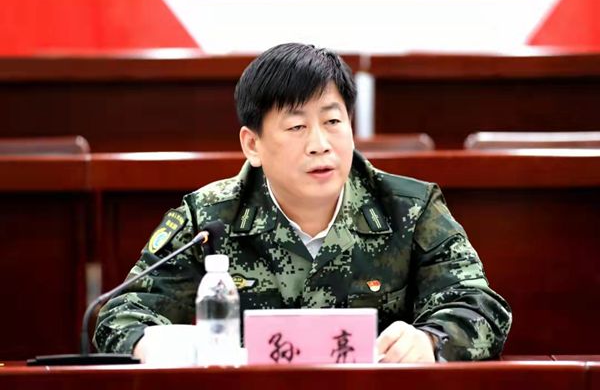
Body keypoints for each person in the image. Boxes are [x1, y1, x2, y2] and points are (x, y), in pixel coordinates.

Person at [94, 43, 511, 362]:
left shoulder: (410, 209)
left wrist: (430, 340)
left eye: (332, 121)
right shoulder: (208, 218)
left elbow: (481, 307)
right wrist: (149, 342)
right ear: (252, 144)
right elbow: (121, 316)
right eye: (296, 126)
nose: (320, 144)